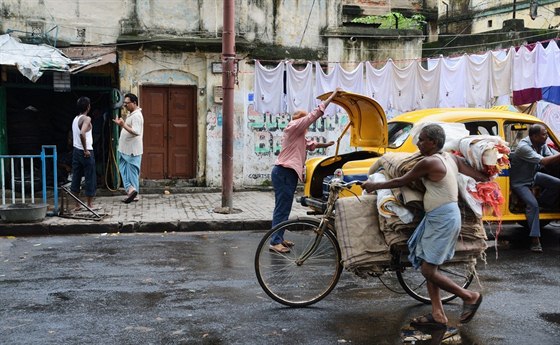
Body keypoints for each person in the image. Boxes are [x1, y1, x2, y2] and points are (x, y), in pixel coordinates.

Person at [361, 124, 488, 329]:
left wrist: (375, 185)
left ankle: (469, 296)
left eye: (422, 140)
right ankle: (438, 314)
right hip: (439, 217)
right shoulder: (450, 158)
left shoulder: (429, 162)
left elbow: (401, 180)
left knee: (428, 270)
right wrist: (486, 176)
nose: (418, 143)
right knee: (428, 264)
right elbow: (477, 174)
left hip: (443, 219)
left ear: (434, 142)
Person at [269, 88, 341, 254]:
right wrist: (333, 96)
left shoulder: (298, 135)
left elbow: (310, 145)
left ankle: (279, 238)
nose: (307, 125)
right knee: (282, 208)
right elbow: (314, 115)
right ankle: (274, 241)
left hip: (286, 173)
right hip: (284, 172)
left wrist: (326, 145)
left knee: (283, 207)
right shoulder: (294, 126)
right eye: (305, 122)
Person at [509, 123, 560, 252]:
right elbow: (543, 161)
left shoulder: (541, 144)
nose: (546, 136)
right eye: (544, 134)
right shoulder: (523, 147)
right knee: (533, 205)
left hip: (534, 176)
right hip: (520, 182)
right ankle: (535, 239)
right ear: (535, 136)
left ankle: (544, 201)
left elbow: (549, 158)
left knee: (557, 184)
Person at [113, 93, 144, 204]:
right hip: (125, 149)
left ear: (134, 103)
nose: (125, 105)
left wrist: (123, 125)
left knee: (131, 173)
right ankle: (131, 191)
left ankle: (133, 193)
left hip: (131, 150)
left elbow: (136, 131)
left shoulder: (136, 116)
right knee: (125, 170)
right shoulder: (132, 114)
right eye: (124, 103)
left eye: (127, 103)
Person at [70, 96, 96, 211]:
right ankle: (89, 205)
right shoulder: (86, 119)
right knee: (90, 177)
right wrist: (85, 150)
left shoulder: (75, 119)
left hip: (76, 151)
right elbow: (82, 133)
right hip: (86, 152)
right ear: (88, 107)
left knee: (76, 176)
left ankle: (77, 205)